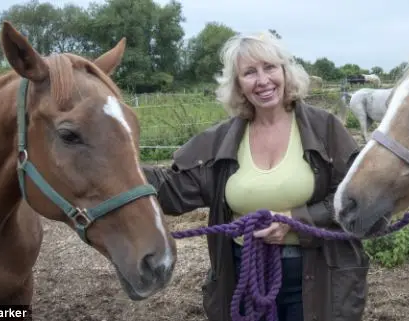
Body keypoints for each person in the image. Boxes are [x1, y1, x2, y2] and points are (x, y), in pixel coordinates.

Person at [142, 31, 370, 321]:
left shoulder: (325, 129)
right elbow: (173, 191)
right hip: (243, 274)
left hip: (317, 274)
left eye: (270, 68)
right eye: (249, 72)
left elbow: (351, 197)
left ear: (286, 72)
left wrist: (293, 222)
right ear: (238, 84)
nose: (262, 80)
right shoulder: (222, 139)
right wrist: (116, 162)